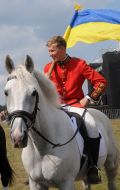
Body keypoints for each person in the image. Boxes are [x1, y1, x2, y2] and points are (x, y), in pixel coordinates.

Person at [44, 36, 107, 184]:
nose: (50, 54)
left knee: (91, 125)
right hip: (55, 107)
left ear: (62, 48)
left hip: (75, 105)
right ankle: (37, 169)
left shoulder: (79, 64)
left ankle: (92, 166)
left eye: (52, 50)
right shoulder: (47, 67)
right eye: (49, 51)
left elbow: (101, 82)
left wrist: (88, 98)